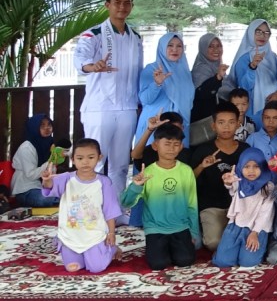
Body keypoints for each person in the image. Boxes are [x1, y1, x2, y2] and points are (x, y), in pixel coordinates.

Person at [74, 0, 143, 198]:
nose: (122, 7)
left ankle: (117, 209)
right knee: (93, 162)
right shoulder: (93, 34)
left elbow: (138, 71)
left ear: (131, 5)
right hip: (99, 108)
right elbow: (80, 59)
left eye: (127, 2)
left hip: (127, 107)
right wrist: (91, 66)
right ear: (107, 5)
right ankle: (88, 209)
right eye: (117, 2)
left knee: (121, 164)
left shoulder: (136, 38)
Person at [120, 123, 200, 270]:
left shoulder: (186, 171)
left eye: (176, 144)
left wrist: (194, 232)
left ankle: (174, 247)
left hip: (180, 226)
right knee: (158, 264)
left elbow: (192, 204)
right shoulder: (148, 173)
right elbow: (125, 202)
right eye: (167, 144)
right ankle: (160, 248)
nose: (172, 148)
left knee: (185, 260)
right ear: (156, 146)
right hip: (155, 228)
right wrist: (136, 186)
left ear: (181, 147)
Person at [40, 138, 122, 273]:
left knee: (96, 268)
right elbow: (49, 187)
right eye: (80, 158)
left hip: (94, 234)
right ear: (73, 159)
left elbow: (110, 210)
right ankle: (82, 254)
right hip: (70, 235)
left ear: (99, 158)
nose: (85, 162)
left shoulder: (104, 182)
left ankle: (111, 249)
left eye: (91, 157)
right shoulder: (66, 178)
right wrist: (47, 180)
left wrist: (111, 233)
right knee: (73, 268)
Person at [190, 102, 249, 251]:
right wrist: (201, 166)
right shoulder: (203, 150)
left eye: (231, 122)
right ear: (213, 126)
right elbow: (188, 180)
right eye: (221, 122)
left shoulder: (246, 150)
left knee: (248, 241)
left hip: (239, 206)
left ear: (238, 124)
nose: (226, 127)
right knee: (214, 243)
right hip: (211, 206)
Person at [211, 148, 277, 268]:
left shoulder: (268, 187)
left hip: (257, 229)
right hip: (236, 225)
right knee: (223, 262)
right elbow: (231, 187)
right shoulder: (239, 181)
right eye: (246, 166)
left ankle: (259, 248)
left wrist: (255, 233)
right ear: (240, 167)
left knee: (248, 262)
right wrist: (228, 182)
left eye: (256, 166)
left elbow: (265, 213)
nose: (251, 171)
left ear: (262, 167)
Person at [230, 19, 277, 126]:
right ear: (251, 33)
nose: (262, 36)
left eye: (266, 33)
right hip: (253, 111)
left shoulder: (273, 57)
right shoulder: (243, 58)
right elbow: (244, 86)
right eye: (258, 32)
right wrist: (253, 66)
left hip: (273, 108)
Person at [12, 114, 63, 207]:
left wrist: (54, 163)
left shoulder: (50, 143)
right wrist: (50, 161)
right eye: (42, 125)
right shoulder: (27, 147)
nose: (47, 128)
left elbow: (51, 173)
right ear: (34, 128)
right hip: (26, 190)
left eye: (49, 125)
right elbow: (31, 175)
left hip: (43, 187)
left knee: (65, 191)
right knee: (45, 199)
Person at [190, 33, 229, 123]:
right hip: (205, 120)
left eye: (219, 46)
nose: (216, 49)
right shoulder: (201, 69)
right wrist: (217, 77)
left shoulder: (218, 66)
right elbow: (201, 94)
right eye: (210, 46)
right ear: (203, 48)